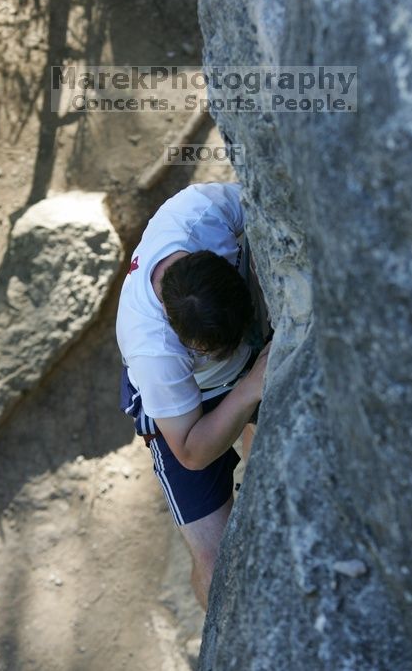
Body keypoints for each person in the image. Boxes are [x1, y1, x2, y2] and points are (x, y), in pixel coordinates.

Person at [116, 181, 271, 609]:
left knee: (266, 481)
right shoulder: (154, 351)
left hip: (248, 368)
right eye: (219, 348)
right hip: (187, 414)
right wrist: (250, 388)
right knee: (217, 561)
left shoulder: (203, 214)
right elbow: (190, 450)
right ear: (189, 345)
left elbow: (271, 197)